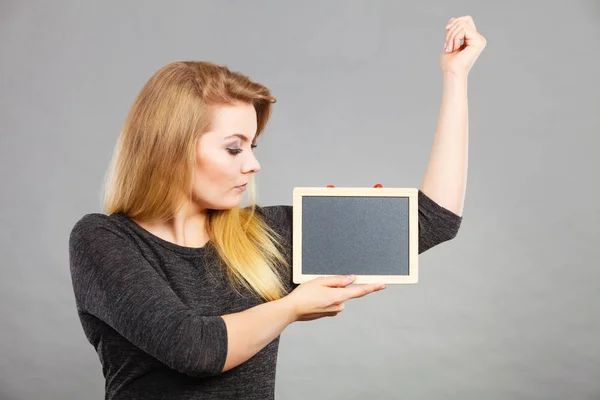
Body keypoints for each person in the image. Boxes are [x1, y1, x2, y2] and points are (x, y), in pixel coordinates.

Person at [68, 16, 485, 400]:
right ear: (171, 148)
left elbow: (433, 220)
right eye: (233, 148)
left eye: (252, 146)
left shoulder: (262, 237)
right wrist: (290, 307)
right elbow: (193, 348)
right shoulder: (102, 240)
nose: (253, 163)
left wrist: (456, 77)